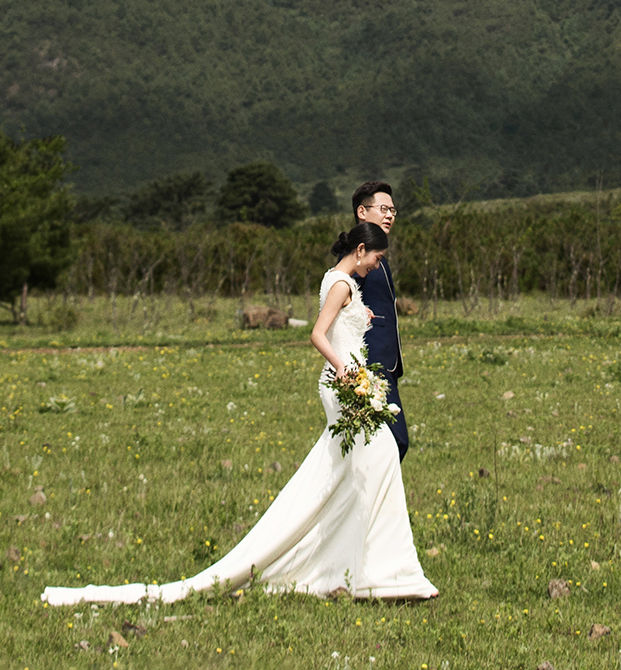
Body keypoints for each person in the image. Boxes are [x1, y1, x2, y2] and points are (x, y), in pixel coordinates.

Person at [38, 221, 437, 605]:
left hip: (355, 384)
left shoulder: (339, 280)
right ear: (361, 249)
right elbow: (317, 333)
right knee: (379, 452)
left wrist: (360, 319)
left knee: (364, 464)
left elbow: (341, 324)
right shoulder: (339, 282)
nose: (377, 266)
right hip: (345, 384)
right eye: (376, 258)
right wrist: (343, 368)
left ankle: (368, 565)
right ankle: (383, 571)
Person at [350, 181, 409, 459]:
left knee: (383, 446)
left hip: (387, 365)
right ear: (362, 212)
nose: (389, 216)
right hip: (370, 367)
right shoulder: (357, 254)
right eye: (383, 209)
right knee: (394, 443)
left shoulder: (377, 256)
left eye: (393, 211)